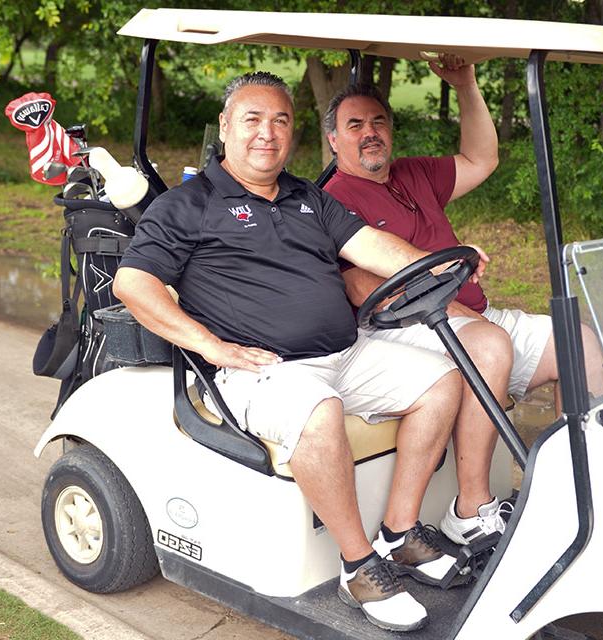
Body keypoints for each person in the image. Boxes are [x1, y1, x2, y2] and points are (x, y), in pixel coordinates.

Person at [113, 72, 487, 633]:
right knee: (318, 410)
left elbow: (372, 246)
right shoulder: (187, 205)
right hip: (262, 370)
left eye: (280, 121)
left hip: (345, 353)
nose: (267, 133)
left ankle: (399, 532)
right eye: (253, 120)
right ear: (225, 128)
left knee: (443, 379)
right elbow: (133, 285)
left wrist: (434, 263)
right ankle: (358, 566)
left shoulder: (307, 196)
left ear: (293, 133)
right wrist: (214, 347)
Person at [323, 55, 603, 547]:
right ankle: (470, 508)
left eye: (378, 122)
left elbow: (482, 159)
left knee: (578, 344)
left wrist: (466, 84)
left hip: (469, 314)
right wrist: (450, 307)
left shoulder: (412, 174)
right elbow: (359, 287)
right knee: (491, 344)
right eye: (355, 125)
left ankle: (580, 487)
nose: (369, 132)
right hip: (406, 326)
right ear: (333, 139)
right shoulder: (333, 199)